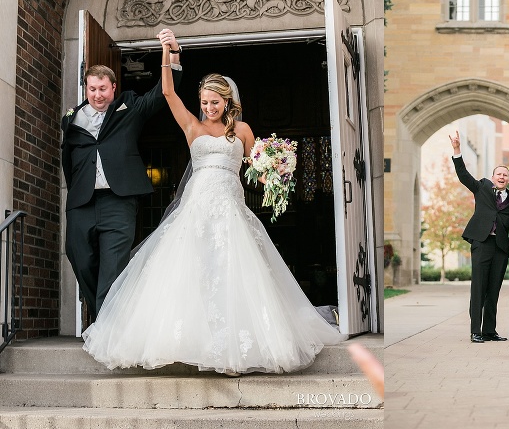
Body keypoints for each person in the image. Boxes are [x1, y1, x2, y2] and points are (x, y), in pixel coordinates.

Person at [82, 29, 345, 374]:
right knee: (193, 271)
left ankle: (234, 347)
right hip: (197, 208)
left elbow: (258, 168)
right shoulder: (192, 126)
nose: (208, 108)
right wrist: (167, 52)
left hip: (231, 208)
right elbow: (166, 91)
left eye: (214, 103)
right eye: (204, 102)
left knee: (235, 272)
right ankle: (192, 340)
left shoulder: (243, 130)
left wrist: (277, 176)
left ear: (228, 102)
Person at [61, 48, 182, 317]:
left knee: (113, 265)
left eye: (102, 88)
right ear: (86, 89)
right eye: (92, 89)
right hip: (82, 202)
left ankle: (104, 327)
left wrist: (172, 57)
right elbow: (68, 161)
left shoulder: (129, 107)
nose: (97, 95)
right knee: (79, 257)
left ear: (113, 87)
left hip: (119, 200)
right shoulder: (71, 119)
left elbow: (161, 94)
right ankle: (99, 312)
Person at [450, 131, 509, 344]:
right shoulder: (482, 187)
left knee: (494, 289)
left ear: (508, 179)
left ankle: (489, 330)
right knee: (479, 288)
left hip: (500, 247)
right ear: (493, 176)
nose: (502, 177)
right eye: (499, 174)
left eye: (505, 175)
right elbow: (463, 175)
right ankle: (475, 331)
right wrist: (457, 150)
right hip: (482, 242)